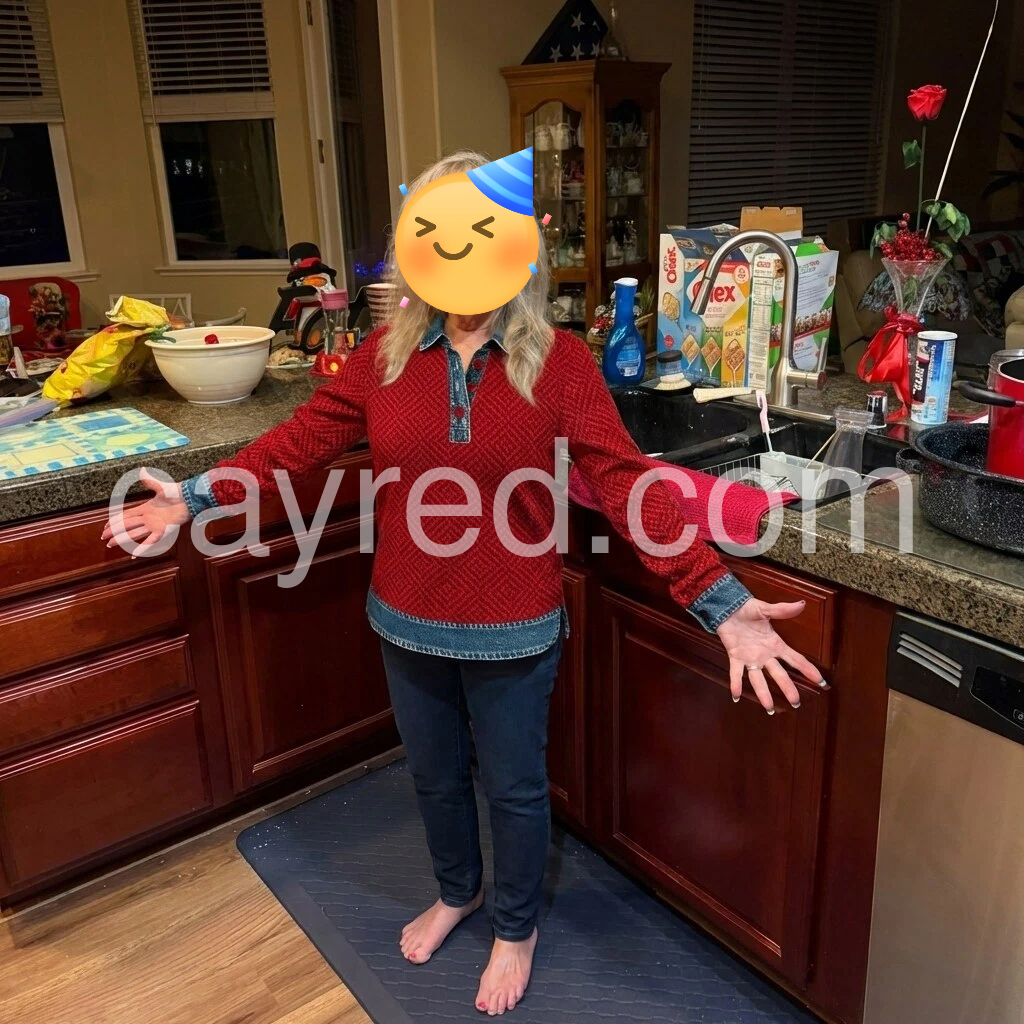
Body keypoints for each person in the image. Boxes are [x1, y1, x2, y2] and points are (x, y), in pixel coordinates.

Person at [102, 150, 824, 1017]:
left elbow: (627, 482)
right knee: (436, 778)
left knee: (513, 789)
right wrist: (190, 499)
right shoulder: (381, 359)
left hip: (515, 626)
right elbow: (294, 446)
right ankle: (458, 891)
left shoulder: (559, 362)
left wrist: (722, 602)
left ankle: (515, 927)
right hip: (405, 618)